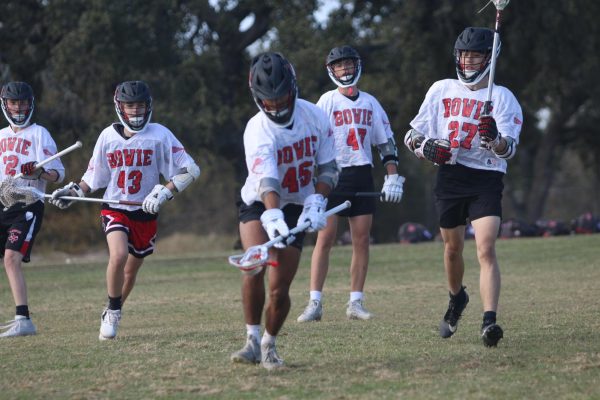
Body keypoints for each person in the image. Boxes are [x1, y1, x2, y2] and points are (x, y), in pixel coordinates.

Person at [49, 80, 200, 340]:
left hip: (145, 211)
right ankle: (115, 312)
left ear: (148, 106)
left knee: (130, 271)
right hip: (115, 207)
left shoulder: (160, 135)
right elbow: (95, 176)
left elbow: (190, 170)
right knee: (118, 256)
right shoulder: (108, 136)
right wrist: (74, 193)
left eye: (140, 105)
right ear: (120, 107)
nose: (136, 111)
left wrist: (165, 192)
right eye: (130, 105)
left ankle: (112, 306)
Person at [403, 27, 523, 347]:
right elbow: (412, 136)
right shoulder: (441, 89)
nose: (469, 61)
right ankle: (457, 298)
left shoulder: (502, 97)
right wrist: (427, 148)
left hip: (486, 177)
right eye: (464, 55)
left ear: (491, 57)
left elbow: (509, 148)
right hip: (450, 175)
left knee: (485, 247)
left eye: (476, 55)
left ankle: (489, 322)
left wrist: (495, 139)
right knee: (453, 249)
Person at [230, 52, 338, 370]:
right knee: (254, 266)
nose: (275, 106)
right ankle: (250, 339)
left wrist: (317, 200)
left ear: (293, 88)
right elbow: (267, 179)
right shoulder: (257, 129)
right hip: (259, 203)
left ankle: (268, 343)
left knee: (280, 288)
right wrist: (272, 214)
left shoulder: (316, 117)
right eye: (269, 100)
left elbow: (330, 168)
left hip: (298, 205)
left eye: (281, 98)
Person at [297, 45, 404, 323]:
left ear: (357, 66)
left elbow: (386, 143)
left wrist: (392, 175)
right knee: (325, 238)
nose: (344, 70)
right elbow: (313, 143)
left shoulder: (370, 102)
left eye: (348, 64)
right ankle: (314, 302)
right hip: (333, 175)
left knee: (361, 241)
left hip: (362, 174)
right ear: (331, 70)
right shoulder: (327, 101)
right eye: (339, 66)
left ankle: (355, 302)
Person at [0, 81, 65, 337]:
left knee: (11, 258)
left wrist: (39, 171)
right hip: (3, 202)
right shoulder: (1, 136)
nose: (19, 107)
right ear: (6, 104)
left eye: (23, 102)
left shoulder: (40, 134)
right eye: (14, 102)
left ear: (31, 103)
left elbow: (58, 174)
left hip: (28, 204)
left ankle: (23, 319)